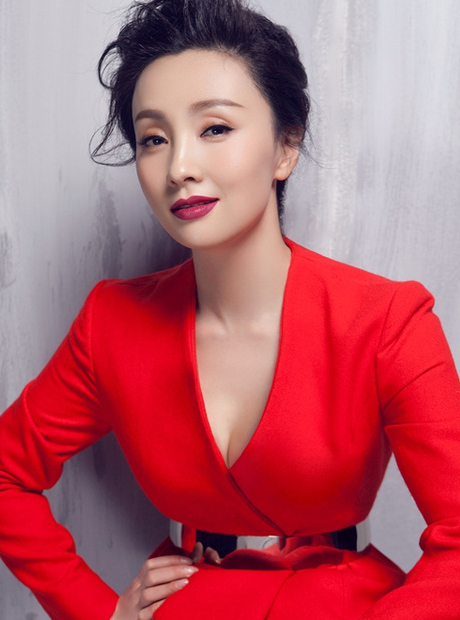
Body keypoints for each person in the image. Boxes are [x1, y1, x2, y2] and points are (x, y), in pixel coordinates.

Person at [0, 0, 459, 618]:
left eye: (215, 128)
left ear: (285, 147)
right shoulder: (110, 323)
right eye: (154, 138)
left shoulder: (388, 321)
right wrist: (96, 610)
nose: (180, 167)